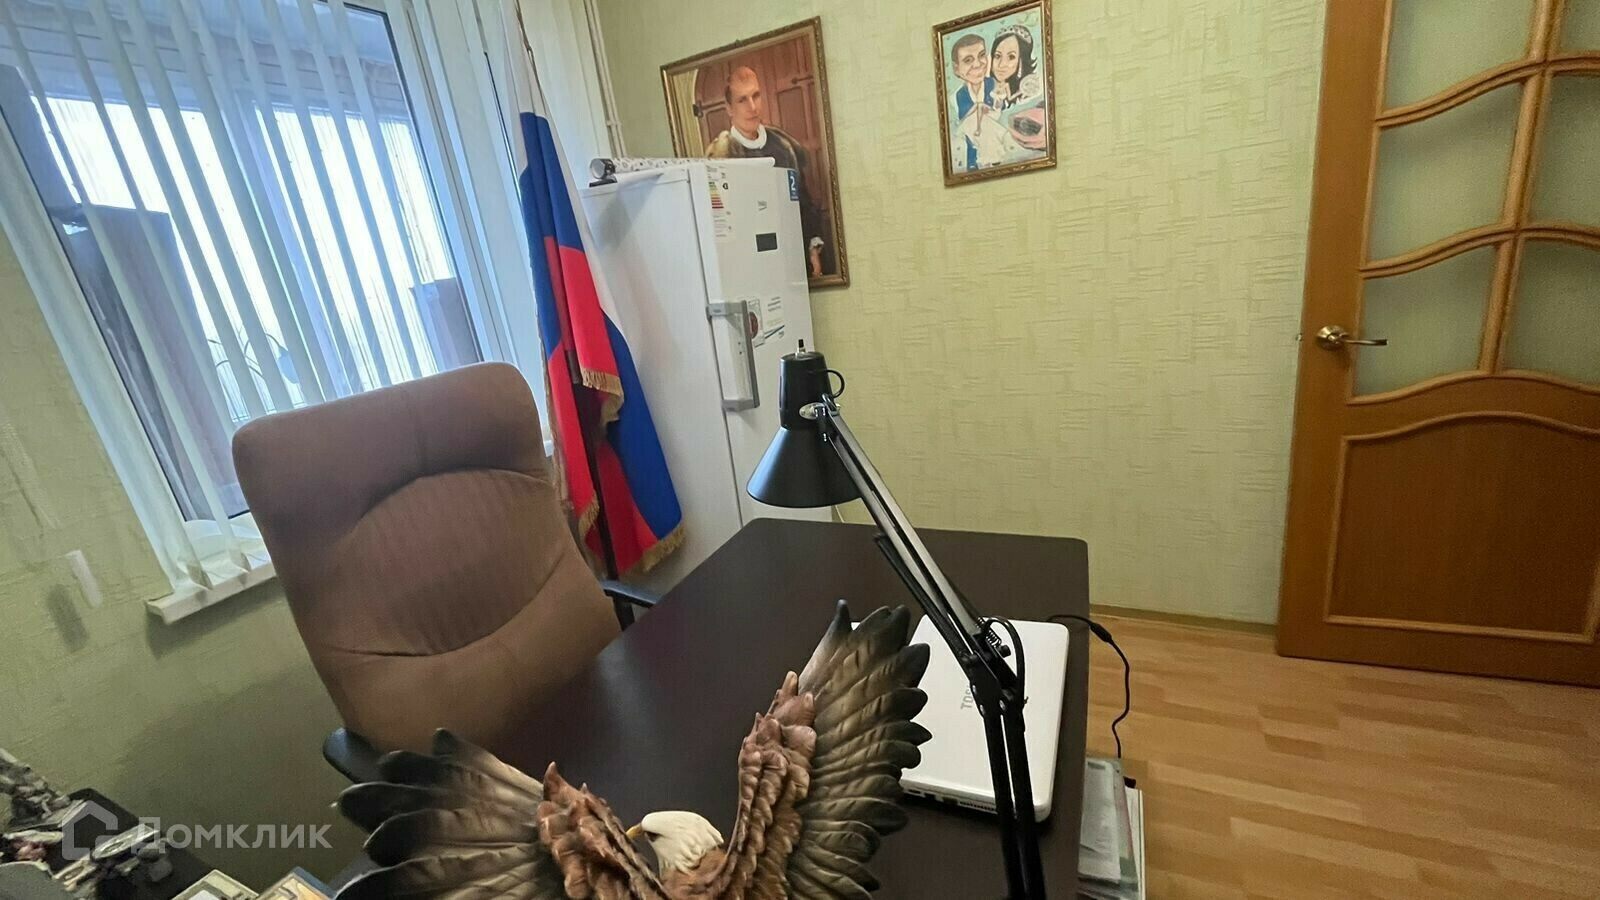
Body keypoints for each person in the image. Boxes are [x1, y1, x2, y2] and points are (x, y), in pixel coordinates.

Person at [705, 65, 832, 277]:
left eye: (756, 96)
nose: (752, 106)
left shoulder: (784, 146)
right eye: (742, 100)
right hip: (747, 268)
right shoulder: (719, 157)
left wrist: (813, 250)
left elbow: (802, 203)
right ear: (729, 108)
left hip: (791, 262)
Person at [989, 24, 1042, 110]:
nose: (1001, 64)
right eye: (997, 56)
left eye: (1011, 57)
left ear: (1021, 61)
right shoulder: (986, 88)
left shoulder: (1027, 95)